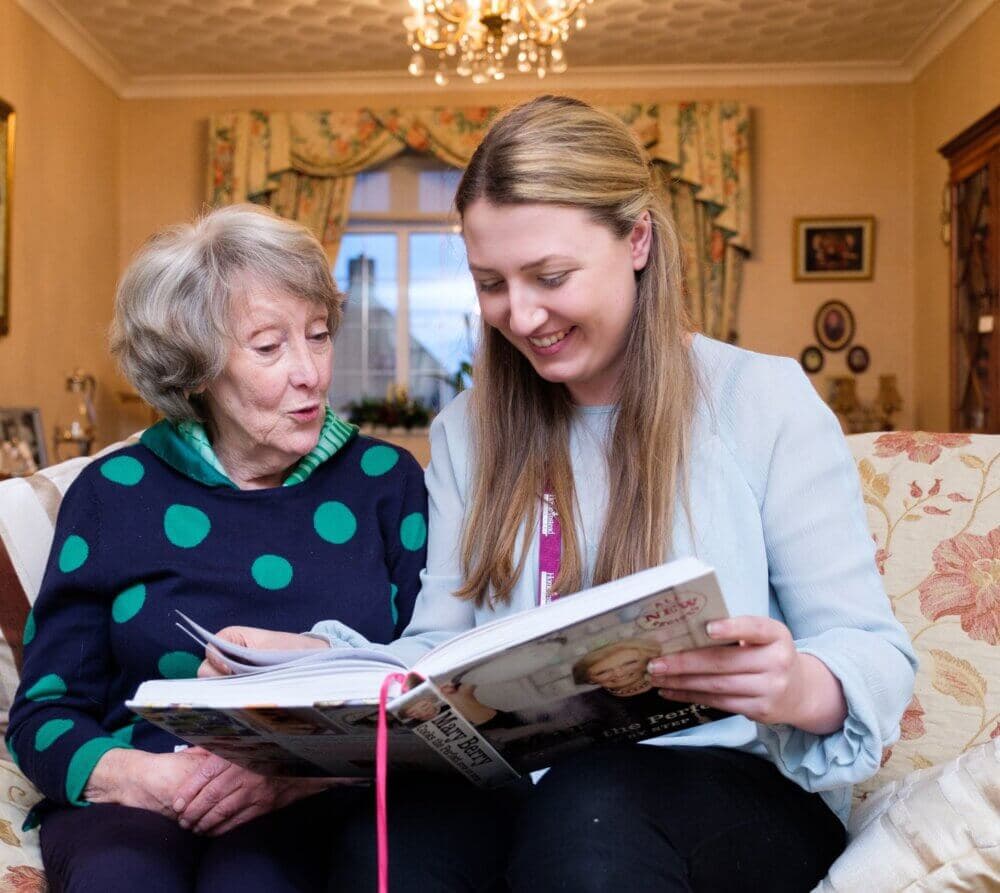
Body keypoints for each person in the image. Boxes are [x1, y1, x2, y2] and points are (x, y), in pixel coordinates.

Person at [204, 95, 917, 892]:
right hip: (533, 788)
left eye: (549, 276)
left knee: (592, 799)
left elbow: (874, 649)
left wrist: (795, 684)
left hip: (739, 793)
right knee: (397, 829)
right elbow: (435, 656)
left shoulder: (763, 400)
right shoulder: (467, 430)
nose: (522, 314)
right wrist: (314, 663)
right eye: (490, 283)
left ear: (637, 238)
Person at [5, 205, 428, 892]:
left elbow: (428, 692)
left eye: (318, 336)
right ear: (196, 370)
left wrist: (292, 775)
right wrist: (153, 778)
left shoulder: (385, 482)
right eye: (269, 347)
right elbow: (46, 709)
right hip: (144, 787)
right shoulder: (114, 493)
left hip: (324, 797)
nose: (311, 373)